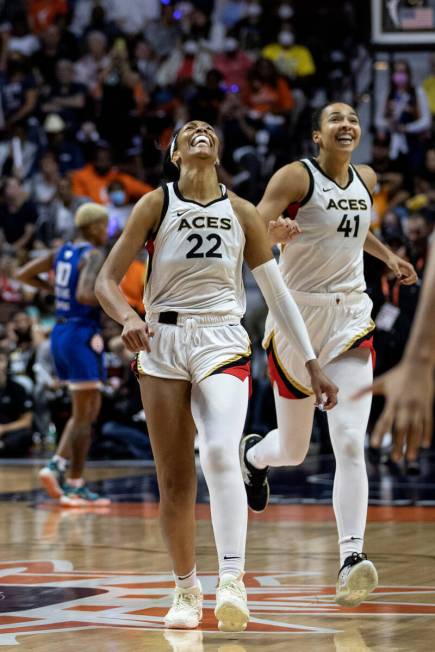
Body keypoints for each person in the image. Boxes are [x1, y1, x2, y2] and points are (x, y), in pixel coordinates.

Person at [95, 120, 338, 632]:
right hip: (161, 339)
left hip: (221, 337)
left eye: (208, 129)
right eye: (190, 131)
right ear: (177, 154)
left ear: (218, 149)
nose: (201, 132)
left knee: (222, 452)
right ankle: (186, 588)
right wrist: (129, 317)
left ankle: (232, 580)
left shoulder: (244, 211)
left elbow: (277, 295)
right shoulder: (155, 204)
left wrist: (313, 362)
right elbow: (105, 282)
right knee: (175, 481)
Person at [240, 102, 418, 608]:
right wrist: (273, 237)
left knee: (348, 440)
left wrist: (388, 257)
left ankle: (351, 557)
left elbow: (357, 230)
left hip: (349, 319)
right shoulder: (296, 177)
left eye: (354, 119)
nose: (347, 124)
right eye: (336, 118)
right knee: (292, 450)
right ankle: (253, 456)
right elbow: (251, 228)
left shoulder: (365, 178)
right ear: (317, 135)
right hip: (297, 318)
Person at [15, 203, 111, 507]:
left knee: (87, 411)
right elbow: (85, 295)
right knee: (85, 414)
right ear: (95, 227)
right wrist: (113, 299)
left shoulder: (63, 251)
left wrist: (54, 294)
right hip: (80, 332)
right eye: (105, 226)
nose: (107, 232)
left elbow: (23, 273)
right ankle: (73, 483)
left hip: (61, 331)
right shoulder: (93, 254)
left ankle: (57, 467)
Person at [355, 236, 435, 463]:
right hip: (381, 346)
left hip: (405, 347)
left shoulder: (415, 287)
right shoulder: (374, 283)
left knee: (407, 397)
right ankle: (374, 440)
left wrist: (420, 358)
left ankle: (410, 446)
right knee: (379, 397)